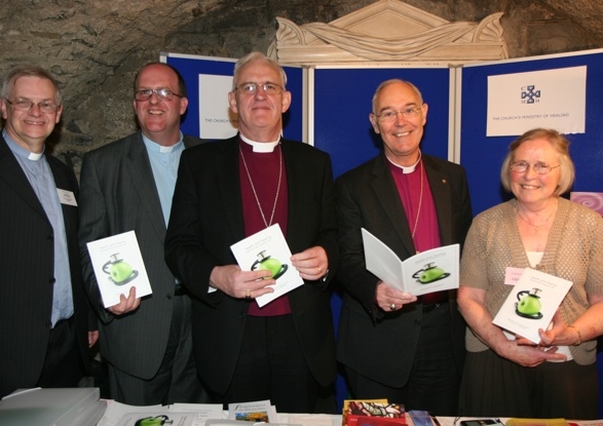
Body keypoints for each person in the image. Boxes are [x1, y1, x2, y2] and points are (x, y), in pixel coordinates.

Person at [164, 51, 338, 413]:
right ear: (232, 101)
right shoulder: (200, 164)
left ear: (285, 100)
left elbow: (334, 234)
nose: (260, 95)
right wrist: (217, 275)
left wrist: (326, 256)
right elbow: (178, 244)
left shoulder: (314, 163)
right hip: (232, 335)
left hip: (300, 333)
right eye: (248, 87)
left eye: (270, 86)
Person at [0, 65, 97, 422]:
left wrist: (88, 318)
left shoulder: (63, 173)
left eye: (46, 104)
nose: (36, 113)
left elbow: (70, 251)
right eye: (24, 102)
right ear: (4, 107)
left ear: (58, 112)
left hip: (65, 348)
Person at [335, 79, 472, 415]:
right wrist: (375, 290)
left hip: (443, 336)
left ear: (424, 114)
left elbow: (468, 248)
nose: (400, 122)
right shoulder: (351, 185)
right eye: (388, 113)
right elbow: (346, 257)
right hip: (378, 339)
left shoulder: (453, 177)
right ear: (374, 123)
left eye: (409, 110)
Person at [79, 62, 209, 405]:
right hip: (136, 323)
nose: (154, 101)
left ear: (182, 104)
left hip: (202, 321)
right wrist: (107, 299)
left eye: (165, 92)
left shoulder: (211, 158)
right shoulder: (103, 164)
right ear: (134, 103)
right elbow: (89, 247)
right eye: (144, 92)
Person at [457, 128, 603, 419]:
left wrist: (570, 334)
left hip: (566, 362)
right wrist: (503, 346)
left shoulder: (590, 225)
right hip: (494, 361)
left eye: (541, 166)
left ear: (561, 172)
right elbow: (469, 296)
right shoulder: (485, 224)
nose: (528, 174)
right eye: (520, 164)